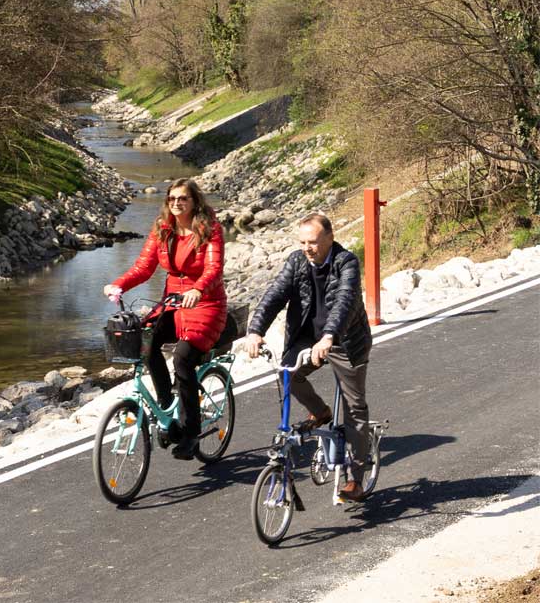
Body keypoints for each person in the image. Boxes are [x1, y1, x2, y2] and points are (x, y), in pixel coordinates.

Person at [242, 213, 373, 501]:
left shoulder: (346, 262)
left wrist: (328, 337)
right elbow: (275, 295)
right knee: (287, 374)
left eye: (312, 242)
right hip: (307, 337)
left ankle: (356, 478)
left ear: (329, 238)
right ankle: (321, 411)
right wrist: (255, 331)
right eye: (302, 242)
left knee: (355, 409)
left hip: (345, 340)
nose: (307, 248)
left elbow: (344, 302)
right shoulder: (297, 261)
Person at [103, 178, 227, 459]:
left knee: (183, 357)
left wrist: (197, 288)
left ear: (195, 201)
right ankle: (166, 405)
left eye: (182, 198)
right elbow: (144, 267)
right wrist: (119, 284)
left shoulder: (210, 229)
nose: (176, 203)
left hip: (205, 302)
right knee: (146, 344)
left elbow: (214, 267)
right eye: (172, 198)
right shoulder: (162, 229)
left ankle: (191, 433)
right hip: (172, 302)